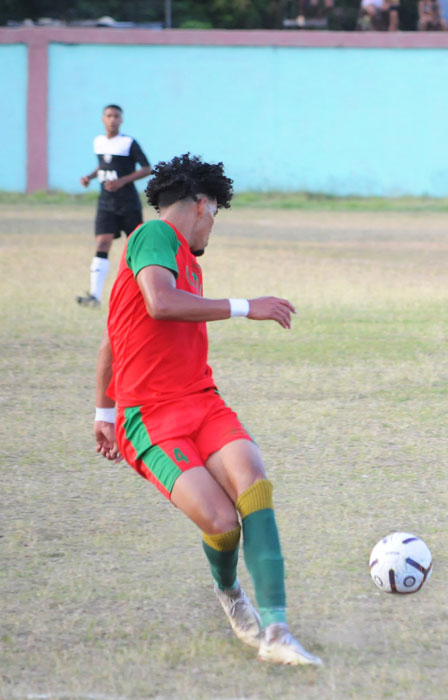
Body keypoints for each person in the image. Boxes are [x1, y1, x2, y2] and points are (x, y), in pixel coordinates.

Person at [92, 153, 321, 666]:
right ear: (201, 204)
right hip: (150, 419)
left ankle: (278, 631)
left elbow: (113, 338)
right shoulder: (153, 236)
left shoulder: (185, 263)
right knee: (221, 523)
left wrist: (100, 413)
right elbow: (161, 305)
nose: (212, 226)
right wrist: (245, 306)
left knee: (253, 484)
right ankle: (230, 592)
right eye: (215, 214)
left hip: (202, 402)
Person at [77, 104, 151, 308]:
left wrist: (122, 181)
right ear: (103, 118)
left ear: (121, 119)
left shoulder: (128, 143)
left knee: (136, 246)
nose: (112, 119)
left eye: (116, 116)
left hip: (128, 203)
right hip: (106, 203)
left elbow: (147, 168)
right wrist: (90, 177)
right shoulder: (98, 142)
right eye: (109, 115)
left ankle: (144, 294)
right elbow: (103, 166)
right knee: (102, 243)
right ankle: (95, 296)